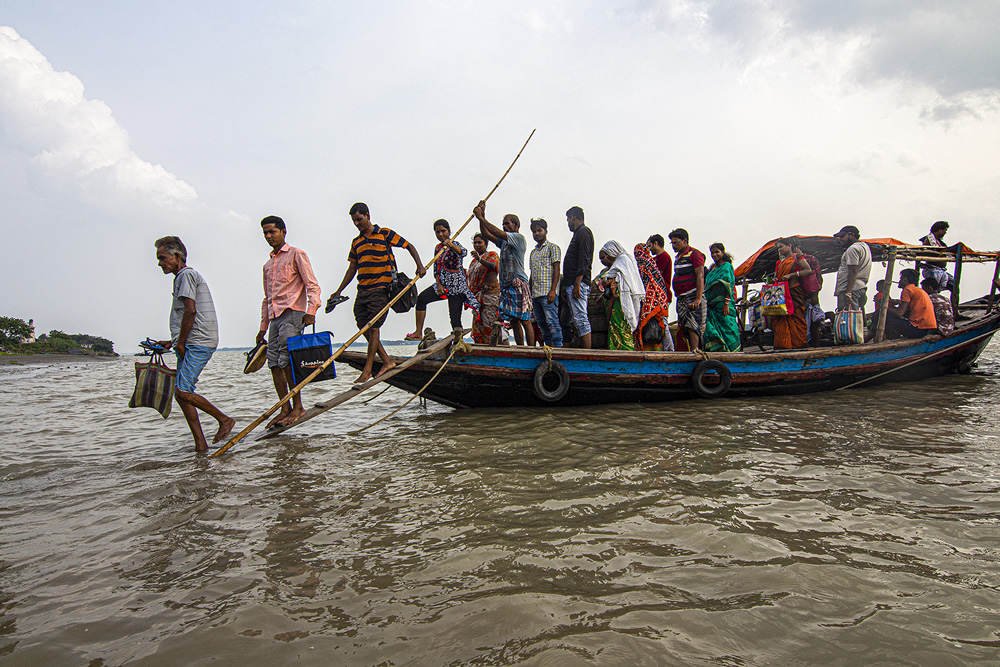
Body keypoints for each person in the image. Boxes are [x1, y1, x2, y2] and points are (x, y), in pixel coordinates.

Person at [329, 203, 425, 384]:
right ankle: (387, 361)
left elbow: (408, 246)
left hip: (380, 289)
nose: (357, 223)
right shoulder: (356, 242)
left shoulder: (384, 234)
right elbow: (352, 268)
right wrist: (338, 290)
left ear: (367, 215)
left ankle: (367, 370)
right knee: (362, 325)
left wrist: (419, 265)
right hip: (362, 290)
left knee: (374, 328)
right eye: (354, 221)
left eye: (359, 219)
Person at [154, 236, 234, 451]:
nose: (160, 263)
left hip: (198, 341)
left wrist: (180, 342)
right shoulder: (182, 277)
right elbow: (185, 315)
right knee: (181, 394)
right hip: (190, 341)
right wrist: (172, 342)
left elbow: (191, 311)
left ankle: (224, 419)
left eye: (163, 258)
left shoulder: (186, 275)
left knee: (183, 391)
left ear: (176, 257)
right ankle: (200, 445)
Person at [256, 215, 322, 428]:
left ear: (283, 232)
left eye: (272, 232)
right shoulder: (268, 265)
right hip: (275, 317)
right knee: (274, 363)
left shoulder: (296, 254)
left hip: (293, 313)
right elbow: (267, 298)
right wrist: (262, 328)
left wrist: (311, 310)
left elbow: (312, 285)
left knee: (287, 361)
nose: (268, 236)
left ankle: (298, 407)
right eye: (265, 233)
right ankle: (285, 407)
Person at [406, 219, 478, 342]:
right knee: (422, 299)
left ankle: (459, 343)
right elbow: (437, 268)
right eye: (437, 232)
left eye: (443, 231)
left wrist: (452, 246)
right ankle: (418, 332)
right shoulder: (438, 248)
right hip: (442, 285)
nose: (440, 234)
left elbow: (463, 252)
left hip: (457, 287)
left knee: (455, 320)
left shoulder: (455, 244)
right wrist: (438, 284)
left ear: (449, 231)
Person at [473, 200, 533, 346]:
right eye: (503, 224)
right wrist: (482, 214)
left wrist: (481, 217)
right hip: (506, 285)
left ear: (516, 226)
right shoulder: (504, 243)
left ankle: (532, 349)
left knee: (525, 319)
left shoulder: (518, 238)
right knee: (514, 320)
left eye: (508, 224)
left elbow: (495, 232)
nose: (504, 226)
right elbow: (486, 233)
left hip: (517, 283)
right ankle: (520, 348)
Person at [597, 241, 644, 350]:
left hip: (621, 300)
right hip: (621, 299)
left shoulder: (622, 260)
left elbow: (621, 279)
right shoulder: (627, 259)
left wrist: (608, 282)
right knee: (618, 327)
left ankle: (624, 351)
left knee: (620, 326)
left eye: (606, 256)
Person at [562, 206, 594, 348]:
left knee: (581, 318)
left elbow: (584, 259)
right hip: (571, 283)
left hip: (578, 283)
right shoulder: (577, 234)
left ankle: (587, 353)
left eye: (568, 219)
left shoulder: (584, 232)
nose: (568, 223)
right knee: (571, 319)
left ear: (573, 218)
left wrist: (577, 283)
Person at [771, 238, 813, 350]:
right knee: (781, 318)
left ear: (789, 245)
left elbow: (808, 270)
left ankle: (799, 344)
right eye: (778, 248)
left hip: (794, 291)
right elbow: (777, 275)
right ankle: (783, 345)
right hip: (782, 293)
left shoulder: (797, 257)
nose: (779, 250)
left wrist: (792, 275)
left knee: (796, 317)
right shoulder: (779, 262)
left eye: (781, 247)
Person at [669, 228, 706, 351]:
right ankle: (689, 350)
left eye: (676, 242)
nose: (673, 246)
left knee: (692, 324)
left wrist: (698, 298)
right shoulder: (679, 256)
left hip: (692, 295)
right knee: (684, 325)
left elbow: (700, 275)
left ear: (684, 241)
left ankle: (695, 351)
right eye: (672, 243)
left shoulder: (695, 254)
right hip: (681, 297)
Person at [633, 243, 674, 351]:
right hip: (661, 299)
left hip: (654, 300)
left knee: (662, 325)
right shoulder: (652, 263)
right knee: (660, 325)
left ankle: (669, 351)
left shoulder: (644, 266)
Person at [528, 218, 562, 347]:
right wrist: (530, 293)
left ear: (545, 231)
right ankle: (548, 348)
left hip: (548, 292)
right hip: (536, 294)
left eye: (539, 230)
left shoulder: (553, 248)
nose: (537, 233)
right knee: (541, 324)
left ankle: (558, 349)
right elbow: (532, 274)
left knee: (552, 322)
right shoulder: (533, 253)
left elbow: (557, 269)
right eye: (534, 231)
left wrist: (553, 290)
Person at [703, 242, 742, 352]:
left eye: (717, 252)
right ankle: (720, 351)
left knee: (728, 327)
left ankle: (733, 351)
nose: (715, 255)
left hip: (723, 303)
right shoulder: (713, 269)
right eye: (712, 253)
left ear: (722, 252)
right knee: (712, 327)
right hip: (712, 305)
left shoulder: (726, 266)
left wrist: (726, 304)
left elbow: (728, 285)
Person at [467, 232, 500, 344]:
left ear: (486, 244)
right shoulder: (473, 262)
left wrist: (480, 259)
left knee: (489, 324)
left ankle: (492, 348)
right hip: (477, 297)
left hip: (490, 295)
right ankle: (480, 347)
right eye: (475, 243)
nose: (477, 245)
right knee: (478, 324)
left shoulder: (492, 255)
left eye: (479, 242)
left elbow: (492, 266)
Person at [884, 268, 937, 339]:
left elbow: (899, 313)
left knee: (880, 314)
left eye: (901, 278)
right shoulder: (916, 289)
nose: (899, 281)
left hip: (917, 330)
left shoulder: (907, 290)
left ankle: (882, 340)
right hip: (926, 329)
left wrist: (883, 306)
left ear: (905, 279)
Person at [790, 239, 824, 345]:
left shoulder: (808, 259)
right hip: (801, 294)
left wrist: (815, 294)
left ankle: (814, 344)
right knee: (807, 320)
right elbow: (818, 278)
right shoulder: (793, 260)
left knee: (813, 320)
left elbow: (816, 277)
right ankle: (809, 343)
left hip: (808, 294)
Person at [833, 225, 871, 313]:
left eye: (843, 236)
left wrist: (848, 293)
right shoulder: (864, 246)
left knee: (848, 319)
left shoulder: (853, 249)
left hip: (850, 289)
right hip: (860, 287)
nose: (841, 239)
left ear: (851, 235)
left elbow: (853, 271)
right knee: (857, 317)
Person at [919, 220, 954, 291]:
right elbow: (933, 251)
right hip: (932, 269)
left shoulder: (939, 242)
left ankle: (953, 301)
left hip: (940, 270)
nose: (945, 233)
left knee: (953, 283)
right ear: (939, 230)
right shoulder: (929, 240)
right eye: (944, 231)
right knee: (934, 288)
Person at [646, 234, 673, 305]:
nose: (649, 249)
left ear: (656, 244)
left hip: (663, 294)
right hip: (656, 295)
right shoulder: (655, 258)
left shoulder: (664, 257)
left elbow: (656, 274)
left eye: (649, 246)